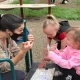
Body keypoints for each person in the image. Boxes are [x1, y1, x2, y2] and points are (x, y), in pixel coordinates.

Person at [0, 14, 34, 80]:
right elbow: (5, 68)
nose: (22, 33)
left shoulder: (8, 37)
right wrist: (21, 52)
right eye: (20, 30)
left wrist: (25, 48)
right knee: (20, 75)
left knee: (20, 74)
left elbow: (17, 53)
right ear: (8, 31)